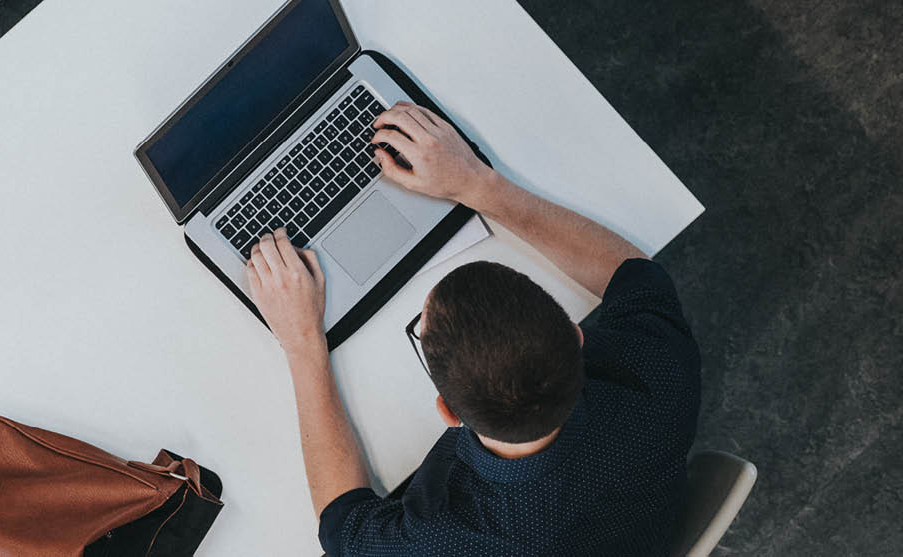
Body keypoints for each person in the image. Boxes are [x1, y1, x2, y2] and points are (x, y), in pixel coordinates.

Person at [244, 101, 700, 556]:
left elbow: (342, 529)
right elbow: (634, 272)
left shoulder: (443, 536)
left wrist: (302, 343)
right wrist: (477, 184)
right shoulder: (657, 372)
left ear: (448, 411)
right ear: (574, 337)